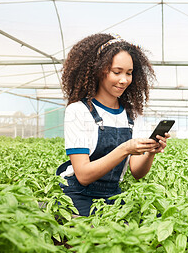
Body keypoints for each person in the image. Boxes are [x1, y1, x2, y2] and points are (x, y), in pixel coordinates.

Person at [56, 33, 170, 216]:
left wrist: (150, 152)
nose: (124, 79)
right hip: (78, 194)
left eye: (129, 73)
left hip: (112, 194)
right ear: (98, 70)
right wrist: (125, 149)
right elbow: (83, 175)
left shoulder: (131, 115)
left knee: (151, 221)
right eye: (117, 72)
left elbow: (137, 172)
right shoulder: (78, 111)